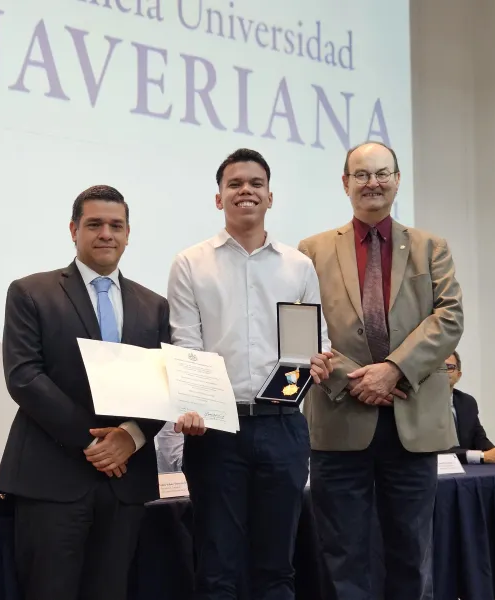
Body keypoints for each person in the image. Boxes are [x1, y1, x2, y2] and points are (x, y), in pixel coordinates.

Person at [0, 184, 202, 600]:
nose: (106, 233)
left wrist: (130, 437)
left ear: (128, 234)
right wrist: (96, 443)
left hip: (125, 485)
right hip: (52, 479)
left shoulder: (154, 306)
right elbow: (24, 377)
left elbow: (163, 383)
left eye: (116, 225)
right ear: (74, 230)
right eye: (94, 224)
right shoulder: (30, 292)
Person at [298, 141, 464, 600]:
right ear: (345, 183)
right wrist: (356, 379)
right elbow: (302, 327)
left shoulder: (431, 248)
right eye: (362, 174)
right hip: (339, 417)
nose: (372, 182)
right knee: (342, 557)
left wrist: (392, 370)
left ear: (397, 179)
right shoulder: (310, 251)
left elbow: (449, 318)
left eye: (382, 173)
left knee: (411, 555)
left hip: (413, 419)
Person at [167, 148, 333, 600]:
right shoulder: (190, 263)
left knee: (276, 568)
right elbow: (186, 344)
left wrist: (319, 359)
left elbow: (313, 342)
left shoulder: (298, 265)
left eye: (256, 183)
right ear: (218, 198)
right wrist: (193, 405)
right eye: (235, 184)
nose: (246, 191)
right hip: (216, 432)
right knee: (217, 567)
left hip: (283, 425)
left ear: (270, 197)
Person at [446, 350, 495, 464]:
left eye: (449, 367)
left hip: (468, 470)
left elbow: (479, 438)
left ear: (458, 375)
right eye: (438, 367)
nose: (443, 372)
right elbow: (436, 451)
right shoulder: (421, 406)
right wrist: (482, 456)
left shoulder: (467, 402)